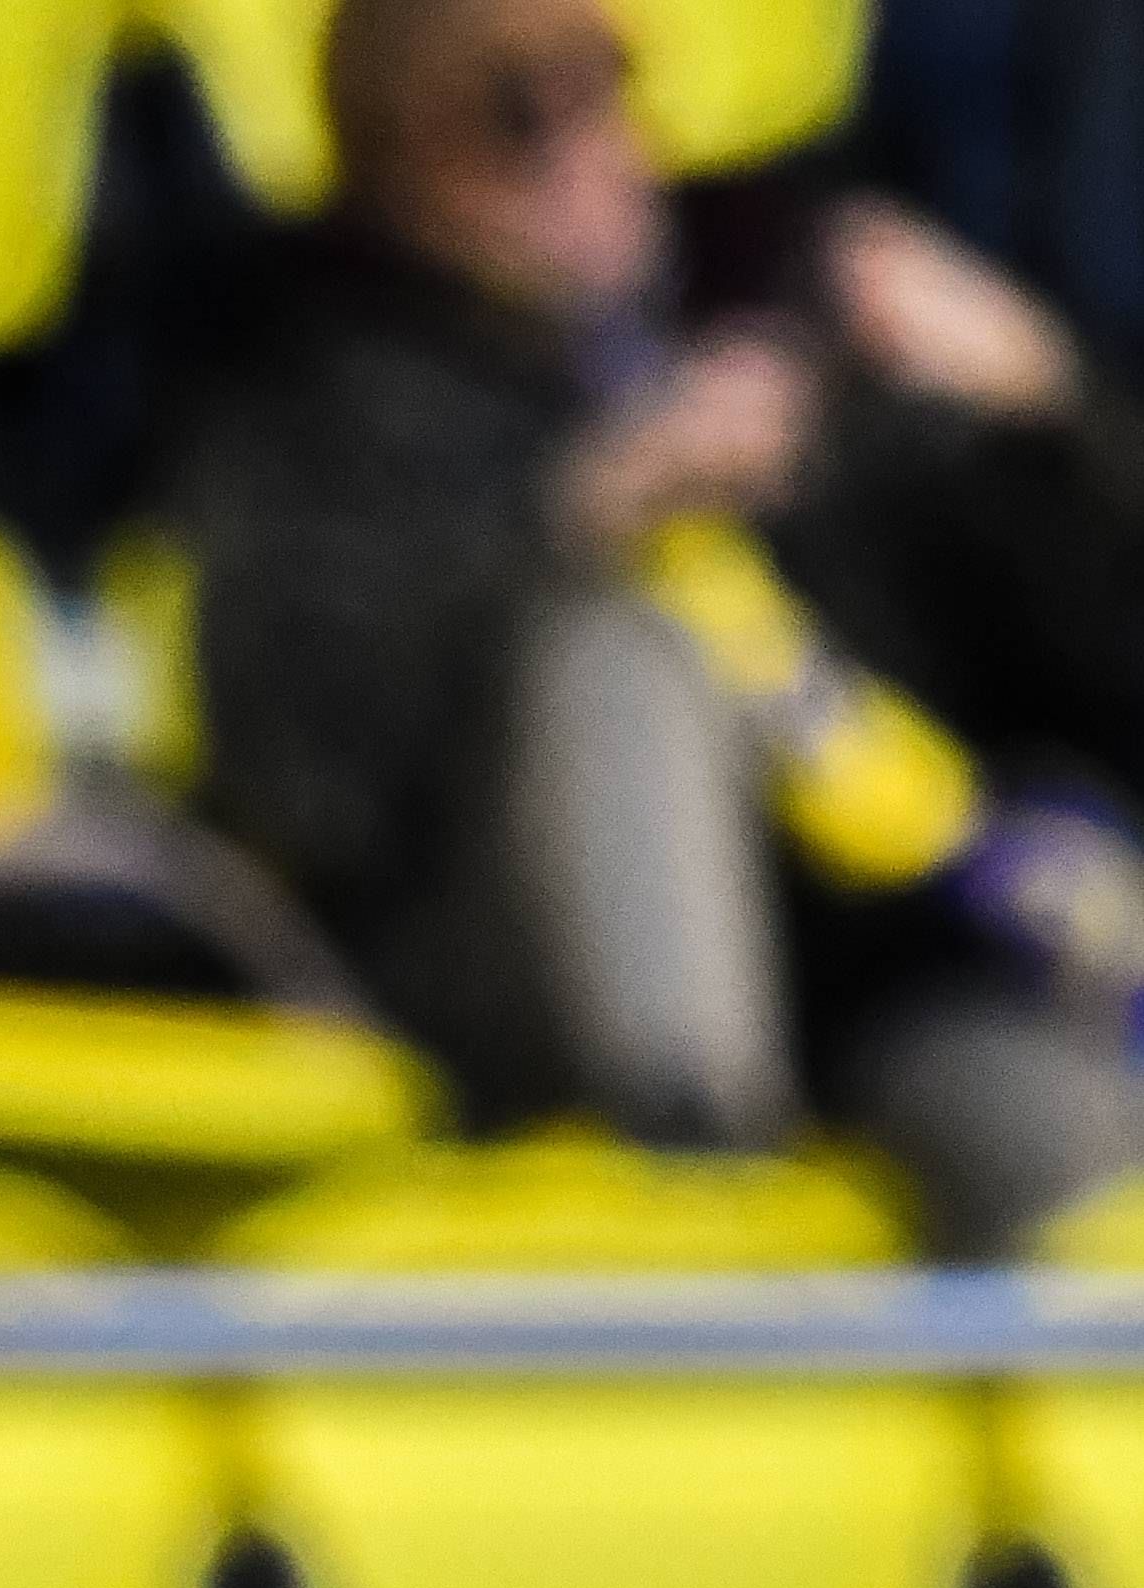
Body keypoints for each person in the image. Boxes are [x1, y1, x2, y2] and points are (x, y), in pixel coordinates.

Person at [175, 0, 1144, 1249]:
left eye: (605, 86)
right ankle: (705, 1168)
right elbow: (302, 780)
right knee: (621, 648)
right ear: (387, 167)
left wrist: (1047, 408)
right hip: (506, 989)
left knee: (1058, 1136)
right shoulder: (317, 399)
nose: (586, 149)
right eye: (513, 117)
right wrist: (577, 514)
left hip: (865, 972)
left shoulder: (791, 331)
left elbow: (1092, 670)